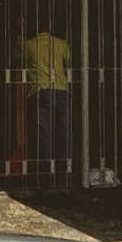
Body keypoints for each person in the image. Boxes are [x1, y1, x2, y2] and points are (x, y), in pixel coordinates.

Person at [24, 14, 71, 164]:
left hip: (40, 90)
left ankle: (45, 167)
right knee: (63, 130)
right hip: (61, 89)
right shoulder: (61, 44)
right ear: (49, 25)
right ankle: (64, 165)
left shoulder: (29, 45)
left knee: (44, 132)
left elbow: (16, 55)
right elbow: (69, 62)